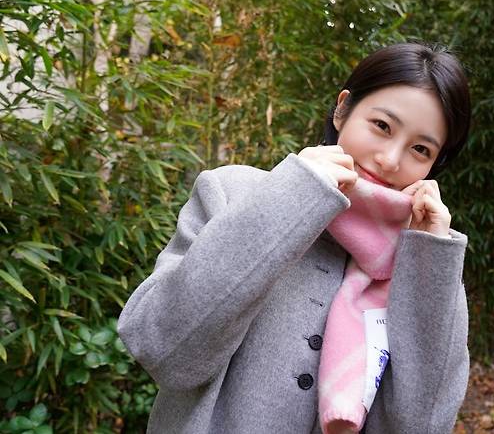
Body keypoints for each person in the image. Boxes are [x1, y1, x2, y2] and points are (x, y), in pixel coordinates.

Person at [117, 42, 471, 434]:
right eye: (382, 126)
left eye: (420, 149)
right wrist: (295, 195)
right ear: (342, 109)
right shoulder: (233, 192)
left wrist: (429, 265)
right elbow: (163, 349)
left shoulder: (421, 257)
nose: (390, 159)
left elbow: (423, 424)